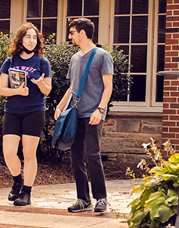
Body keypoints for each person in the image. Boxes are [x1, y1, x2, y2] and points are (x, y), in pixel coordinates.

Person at [54, 18, 113, 213]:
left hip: (93, 113)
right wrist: (61, 106)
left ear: (82, 33)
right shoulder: (75, 58)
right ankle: (83, 199)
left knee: (92, 155)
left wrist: (100, 110)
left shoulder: (102, 56)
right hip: (75, 114)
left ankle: (101, 198)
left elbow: (108, 87)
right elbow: (73, 87)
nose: (70, 36)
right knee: (76, 156)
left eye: (72, 32)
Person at [0, 22, 52, 206]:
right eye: (28, 37)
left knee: (29, 154)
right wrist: (17, 92)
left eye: (34, 37)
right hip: (13, 111)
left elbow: (47, 90)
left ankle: (27, 192)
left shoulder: (42, 62)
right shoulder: (10, 61)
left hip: (34, 111)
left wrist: (39, 83)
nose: (31, 40)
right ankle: (17, 180)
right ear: (21, 39)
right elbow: (2, 89)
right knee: (9, 152)